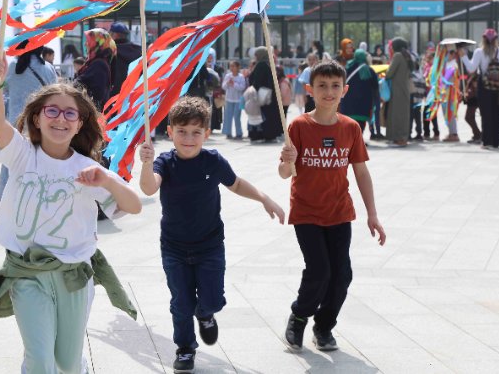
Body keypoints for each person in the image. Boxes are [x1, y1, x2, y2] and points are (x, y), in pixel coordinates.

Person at [0, 55, 142, 373]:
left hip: (74, 276)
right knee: (41, 360)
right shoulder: (22, 153)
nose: (60, 119)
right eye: (52, 111)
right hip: (27, 273)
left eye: (70, 113)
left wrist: (109, 178)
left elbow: (133, 206)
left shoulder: (87, 168)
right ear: (37, 118)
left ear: (80, 123)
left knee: (67, 364)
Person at [138, 97, 284, 373]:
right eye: (181, 131)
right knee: (181, 302)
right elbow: (148, 188)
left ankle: (205, 313)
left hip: (209, 246)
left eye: (196, 132)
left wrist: (264, 198)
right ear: (169, 132)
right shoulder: (165, 163)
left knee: (213, 298)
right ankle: (185, 348)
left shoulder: (213, 161)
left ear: (206, 133)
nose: (189, 138)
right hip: (174, 248)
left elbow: (236, 184)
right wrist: (145, 163)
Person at [278, 60, 386, 353]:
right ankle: (299, 315)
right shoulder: (298, 126)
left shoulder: (350, 128)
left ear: (344, 90)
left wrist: (372, 214)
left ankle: (324, 327)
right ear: (310, 90)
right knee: (319, 270)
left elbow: (361, 172)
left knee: (342, 275)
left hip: (339, 213)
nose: (329, 92)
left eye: (335, 86)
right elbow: (284, 174)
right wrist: (288, 159)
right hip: (306, 213)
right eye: (322, 86)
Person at [0, 43, 58, 200]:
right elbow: (55, 94)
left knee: (12, 159)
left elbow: (3, 90)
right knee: (39, 160)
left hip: (16, 122)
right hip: (40, 123)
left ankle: (9, 195)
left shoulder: (12, 66)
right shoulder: (48, 68)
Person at [461, 29, 499, 149]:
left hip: (484, 84)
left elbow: (471, 69)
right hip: (498, 84)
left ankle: (487, 142)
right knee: (497, 113)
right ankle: (496, 141)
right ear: (496, 39)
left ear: (483, 39)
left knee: (486, 113)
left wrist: (464, 57)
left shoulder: (479, 51)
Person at [249, 47, 284, 143]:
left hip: (263, 95)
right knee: (270, 115)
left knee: (264, 115)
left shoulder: (261, 65)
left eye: (256, 54)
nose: (255, 57)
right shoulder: (268, 64)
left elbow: (257, 80)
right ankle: (271, 134)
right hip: (270, 95)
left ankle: (265, 134)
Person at [75, 28, 114, 111]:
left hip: (94, 114)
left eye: (89, 41)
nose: (86, 44)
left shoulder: (99, 64)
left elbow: (98, 94)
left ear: (97, 44)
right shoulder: (94, 62)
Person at [386, 38, 413, 147]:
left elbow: (389, 73)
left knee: (396, 115)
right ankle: (402, 138)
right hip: (405, 90)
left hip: (397, 90)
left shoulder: (397, 56)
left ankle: (399, 139)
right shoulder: (407, 56)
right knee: (403, 115)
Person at [108, 22, 142, 98]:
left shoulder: (111, 52)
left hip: (115, 94)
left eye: (110, 33)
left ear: (115, 35)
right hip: (134, 92)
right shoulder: (137, 51)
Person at [222, 60, 247, 139]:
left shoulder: (241, 76)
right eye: (230, 66)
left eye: (233, 66)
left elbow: (242, 87)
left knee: (237, 116)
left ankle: (239, 133)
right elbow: (223, 87)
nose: (232, 68)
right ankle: (228, 132)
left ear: (238, 67)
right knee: (228, 116)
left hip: (238, 100)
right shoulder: (228, 76)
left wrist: (234, 84)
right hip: (229, 99)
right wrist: (227, 83)